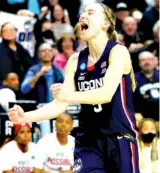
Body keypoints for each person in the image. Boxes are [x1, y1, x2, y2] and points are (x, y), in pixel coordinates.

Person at [8, 3, 140, 173]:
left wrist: (68, 95)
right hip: (88, 141)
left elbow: (105, 94)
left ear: (105, 24)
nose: (83, 16)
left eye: (90, 13)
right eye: (82, 13)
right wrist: (24, 117)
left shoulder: (118, 52)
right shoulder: (76, 60)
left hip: (119, 137)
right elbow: (59, 105)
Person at [133, 51, 159, 121]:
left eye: (149, 59)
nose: (146, 62)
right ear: (139, 63)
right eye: (143, 60)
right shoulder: (133, 79)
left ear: (154, 61)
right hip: (144, 118)